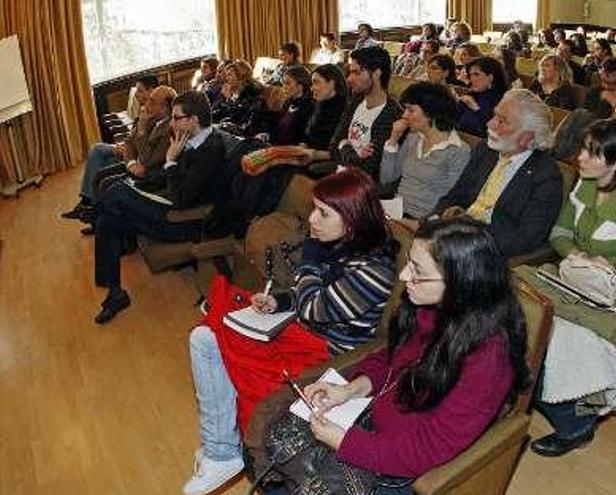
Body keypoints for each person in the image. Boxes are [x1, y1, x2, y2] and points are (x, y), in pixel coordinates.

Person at [246, 217, 528, 494]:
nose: (404, 276)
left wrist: (345, 443)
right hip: (375, 420)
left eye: (417, 270)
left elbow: (428, 449)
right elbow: (391, 356)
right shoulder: (432, 305)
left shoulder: (489, 361)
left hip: (401, 463)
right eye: (409, 261)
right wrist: (349, 390)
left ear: (460, 282)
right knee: (278, 437)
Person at [183, 169, 398, 495]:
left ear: (352, 220)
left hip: (330, 361)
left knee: (209, 340)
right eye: (313, 209)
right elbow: (304, 299)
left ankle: (221, 451)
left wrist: (308, 261)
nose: (312, 220)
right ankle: (221, 446)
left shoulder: (374, 270)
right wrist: (278, 300)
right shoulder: (339, 245)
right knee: (205, 336)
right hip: (300, 335)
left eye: (323, 213)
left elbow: (314, 307)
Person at [527, 119, 616, 457]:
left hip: (613, 294)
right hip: (574, 277)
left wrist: (585, 263)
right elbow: (559, 234)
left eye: (590, 152)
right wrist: (581, 256)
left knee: (553, 337)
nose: (579, 157)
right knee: (523, 314)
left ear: (615, 163)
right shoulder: (584, 184)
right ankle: (530, 390)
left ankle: (574, 425)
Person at [91, 91, 226, 324]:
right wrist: (142, 182)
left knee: (114, 195)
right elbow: (167, 181)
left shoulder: (210, 150)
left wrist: (171, 160)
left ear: (194, 119)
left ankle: (93, 214)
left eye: (176, 117)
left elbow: (181, 198)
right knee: (107, 220)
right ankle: (115, 294)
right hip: (167, 205)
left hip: (182, 221)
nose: (171, 123)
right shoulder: (191, 138)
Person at [433, 89, 563, 259]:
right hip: (451, 234)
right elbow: (455, 195)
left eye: (501, 121)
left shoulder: (545, 175)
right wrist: (433, 219)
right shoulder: (485, 151)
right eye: (495, 116)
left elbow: (525, 239)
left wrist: (466, 233)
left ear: (526, 137)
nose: (490, 124)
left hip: (484, 252)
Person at [62, 75, 159, 220]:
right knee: (102, 162)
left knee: (98, 150)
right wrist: (125, 145)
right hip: (131, 150)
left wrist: (128, 151)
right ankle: (94, 211)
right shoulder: (145, 109)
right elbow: (133, 135)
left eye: (140, 91)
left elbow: (145, 145)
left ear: (151, 90)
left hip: (137, 157)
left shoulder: (155, 113)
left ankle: (89, 206)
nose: (137, 95)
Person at [380, 81, 471, 221]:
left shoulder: (457, 151)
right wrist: (393, 140)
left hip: (423, 221)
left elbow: (452, 202)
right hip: (395, 211)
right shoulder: (414, 138)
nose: (404, 115)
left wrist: (417, 223)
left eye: (411, 110)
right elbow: (387, 178)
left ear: (431, 112)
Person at [327, 46, 403, 179]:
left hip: (360, 187)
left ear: (376, 74)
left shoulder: (392, 114)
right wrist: (351, 151)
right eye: (350, 73)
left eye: (356, 73)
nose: (349, 79)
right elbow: (333, 146)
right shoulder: (355, 102)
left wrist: (344, 144)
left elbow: (368, 166)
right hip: (338, 176)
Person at [257, 66, 315, 145]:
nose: (284, 87)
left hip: (291, 151)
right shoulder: (288, 102)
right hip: (276, 146)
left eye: (287, 83)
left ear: (300, 85)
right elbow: (278, 128)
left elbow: (300, 138)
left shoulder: (309, 106)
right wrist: (268, 135)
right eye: (283, 83)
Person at [456, 56, 509, 138]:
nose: (472, 79)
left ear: (491, 77)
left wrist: (476, 108)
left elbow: (493, 133)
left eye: (476, 74)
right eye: (470, 75)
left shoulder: (504, 102)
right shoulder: (471, 95)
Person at [212, 59, 264, 136]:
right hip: (226, 127)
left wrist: (229, 100)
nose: (226, 78)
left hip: (242, 133)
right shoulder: (234, 92)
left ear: (240, 77)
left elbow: (239, 117)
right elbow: (219, 111)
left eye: (230, 75)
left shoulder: (251, 93)